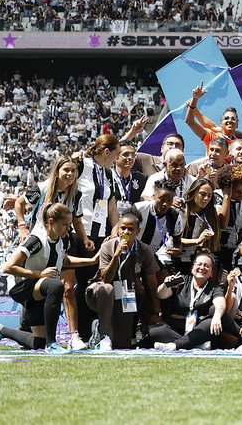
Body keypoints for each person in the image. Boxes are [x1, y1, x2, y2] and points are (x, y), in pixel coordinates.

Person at [0, 204, 96, 354]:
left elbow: (65, 261)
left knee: (38, 343)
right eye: (65, 224)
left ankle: (0, 330)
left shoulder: (63, 240)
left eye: (69, 224)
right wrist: (40, 274)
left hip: (39, 288)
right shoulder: (36, 240)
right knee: (57, 285)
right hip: (21, 287)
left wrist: (92, 261)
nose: (68, 228)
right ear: (51, 222)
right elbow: (8, 267)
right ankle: (51, 344)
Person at [85, 209, 162, 350]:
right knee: (107, 289)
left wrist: (157, 309)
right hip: (99, 293)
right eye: (123, 228)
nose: (125, 232)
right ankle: (103, 336)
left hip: (124, 295)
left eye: (130, 229)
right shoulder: (108, 246)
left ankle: (100, 327)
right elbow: (106, 279)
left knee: (121, 345)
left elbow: (152, 282)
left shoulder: (143, 250)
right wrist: (116, 255)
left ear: (138, 231)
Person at [72, 134, 121, 344]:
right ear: (107, 152)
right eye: (116, 154)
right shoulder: (82, 166)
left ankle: (94, 330)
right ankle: (81, 333)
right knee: (81, 284)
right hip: (79, 233)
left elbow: (111, 207)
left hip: (100, 236)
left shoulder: (109, 173)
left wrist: (116, 228)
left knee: (95, 283)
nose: (117, 159)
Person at [150, 252, 241, 351]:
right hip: (177, 326)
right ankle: (194, 345)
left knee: (210, 323)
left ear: (211, 272)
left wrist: (217, 316)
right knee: (154, 331)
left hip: (199, 328)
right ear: (192, 267)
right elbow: (160, 294)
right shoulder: (181, 280)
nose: (202, 268)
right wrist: (165, 285)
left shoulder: (214, 287)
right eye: (199, 264)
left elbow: (220, 302)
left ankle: (175, 346)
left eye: (206, 266)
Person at [131, 178, 184, 273]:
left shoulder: (175, 216)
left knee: (167, 281)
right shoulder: (139, 209)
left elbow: (178, 243)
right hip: (132, 254)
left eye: (169, 200)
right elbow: (121, 229)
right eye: (162, 199)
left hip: (152, 256)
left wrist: (177, 250)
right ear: (154, 196)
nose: (165, 204)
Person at [185, 80, 242, 150]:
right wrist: (195, 100)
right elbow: (190, 121)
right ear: (221, 123)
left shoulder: (241, 145)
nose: (230, 120)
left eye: (233, 119)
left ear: (237, 124)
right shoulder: (213, 138)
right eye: (226, 118)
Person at [179, 179, 221, 273]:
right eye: (203, 194)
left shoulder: (209, 214)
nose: (206, 198)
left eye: (209, 196)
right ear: (194, 192)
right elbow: (173, 239)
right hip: (172, 258)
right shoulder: (180, 210)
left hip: (193, 260)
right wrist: (197, 241)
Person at [111, 141, 147, 214]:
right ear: (116, 157)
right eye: (126, 154)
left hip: (132, 222)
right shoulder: (108, 176)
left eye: (133, 155)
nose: (130, 158)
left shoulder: (141, 178)